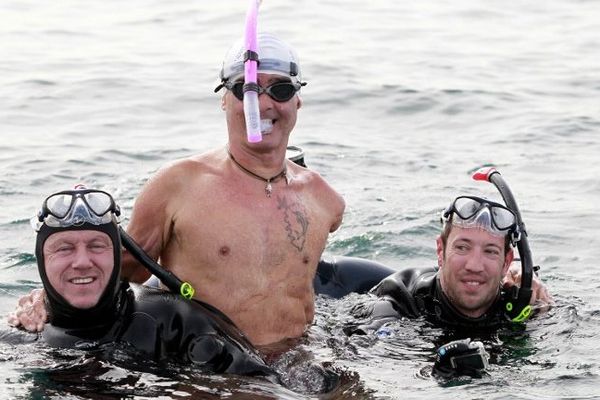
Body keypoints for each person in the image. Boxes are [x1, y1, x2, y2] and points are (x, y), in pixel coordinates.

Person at [5, 186, 275, 377]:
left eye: (97, 246)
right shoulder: (17, 339)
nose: (82, 261)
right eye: (64, 249)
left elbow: (264, 385)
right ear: (41, 259)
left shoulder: (176, 323)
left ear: (117, 256)